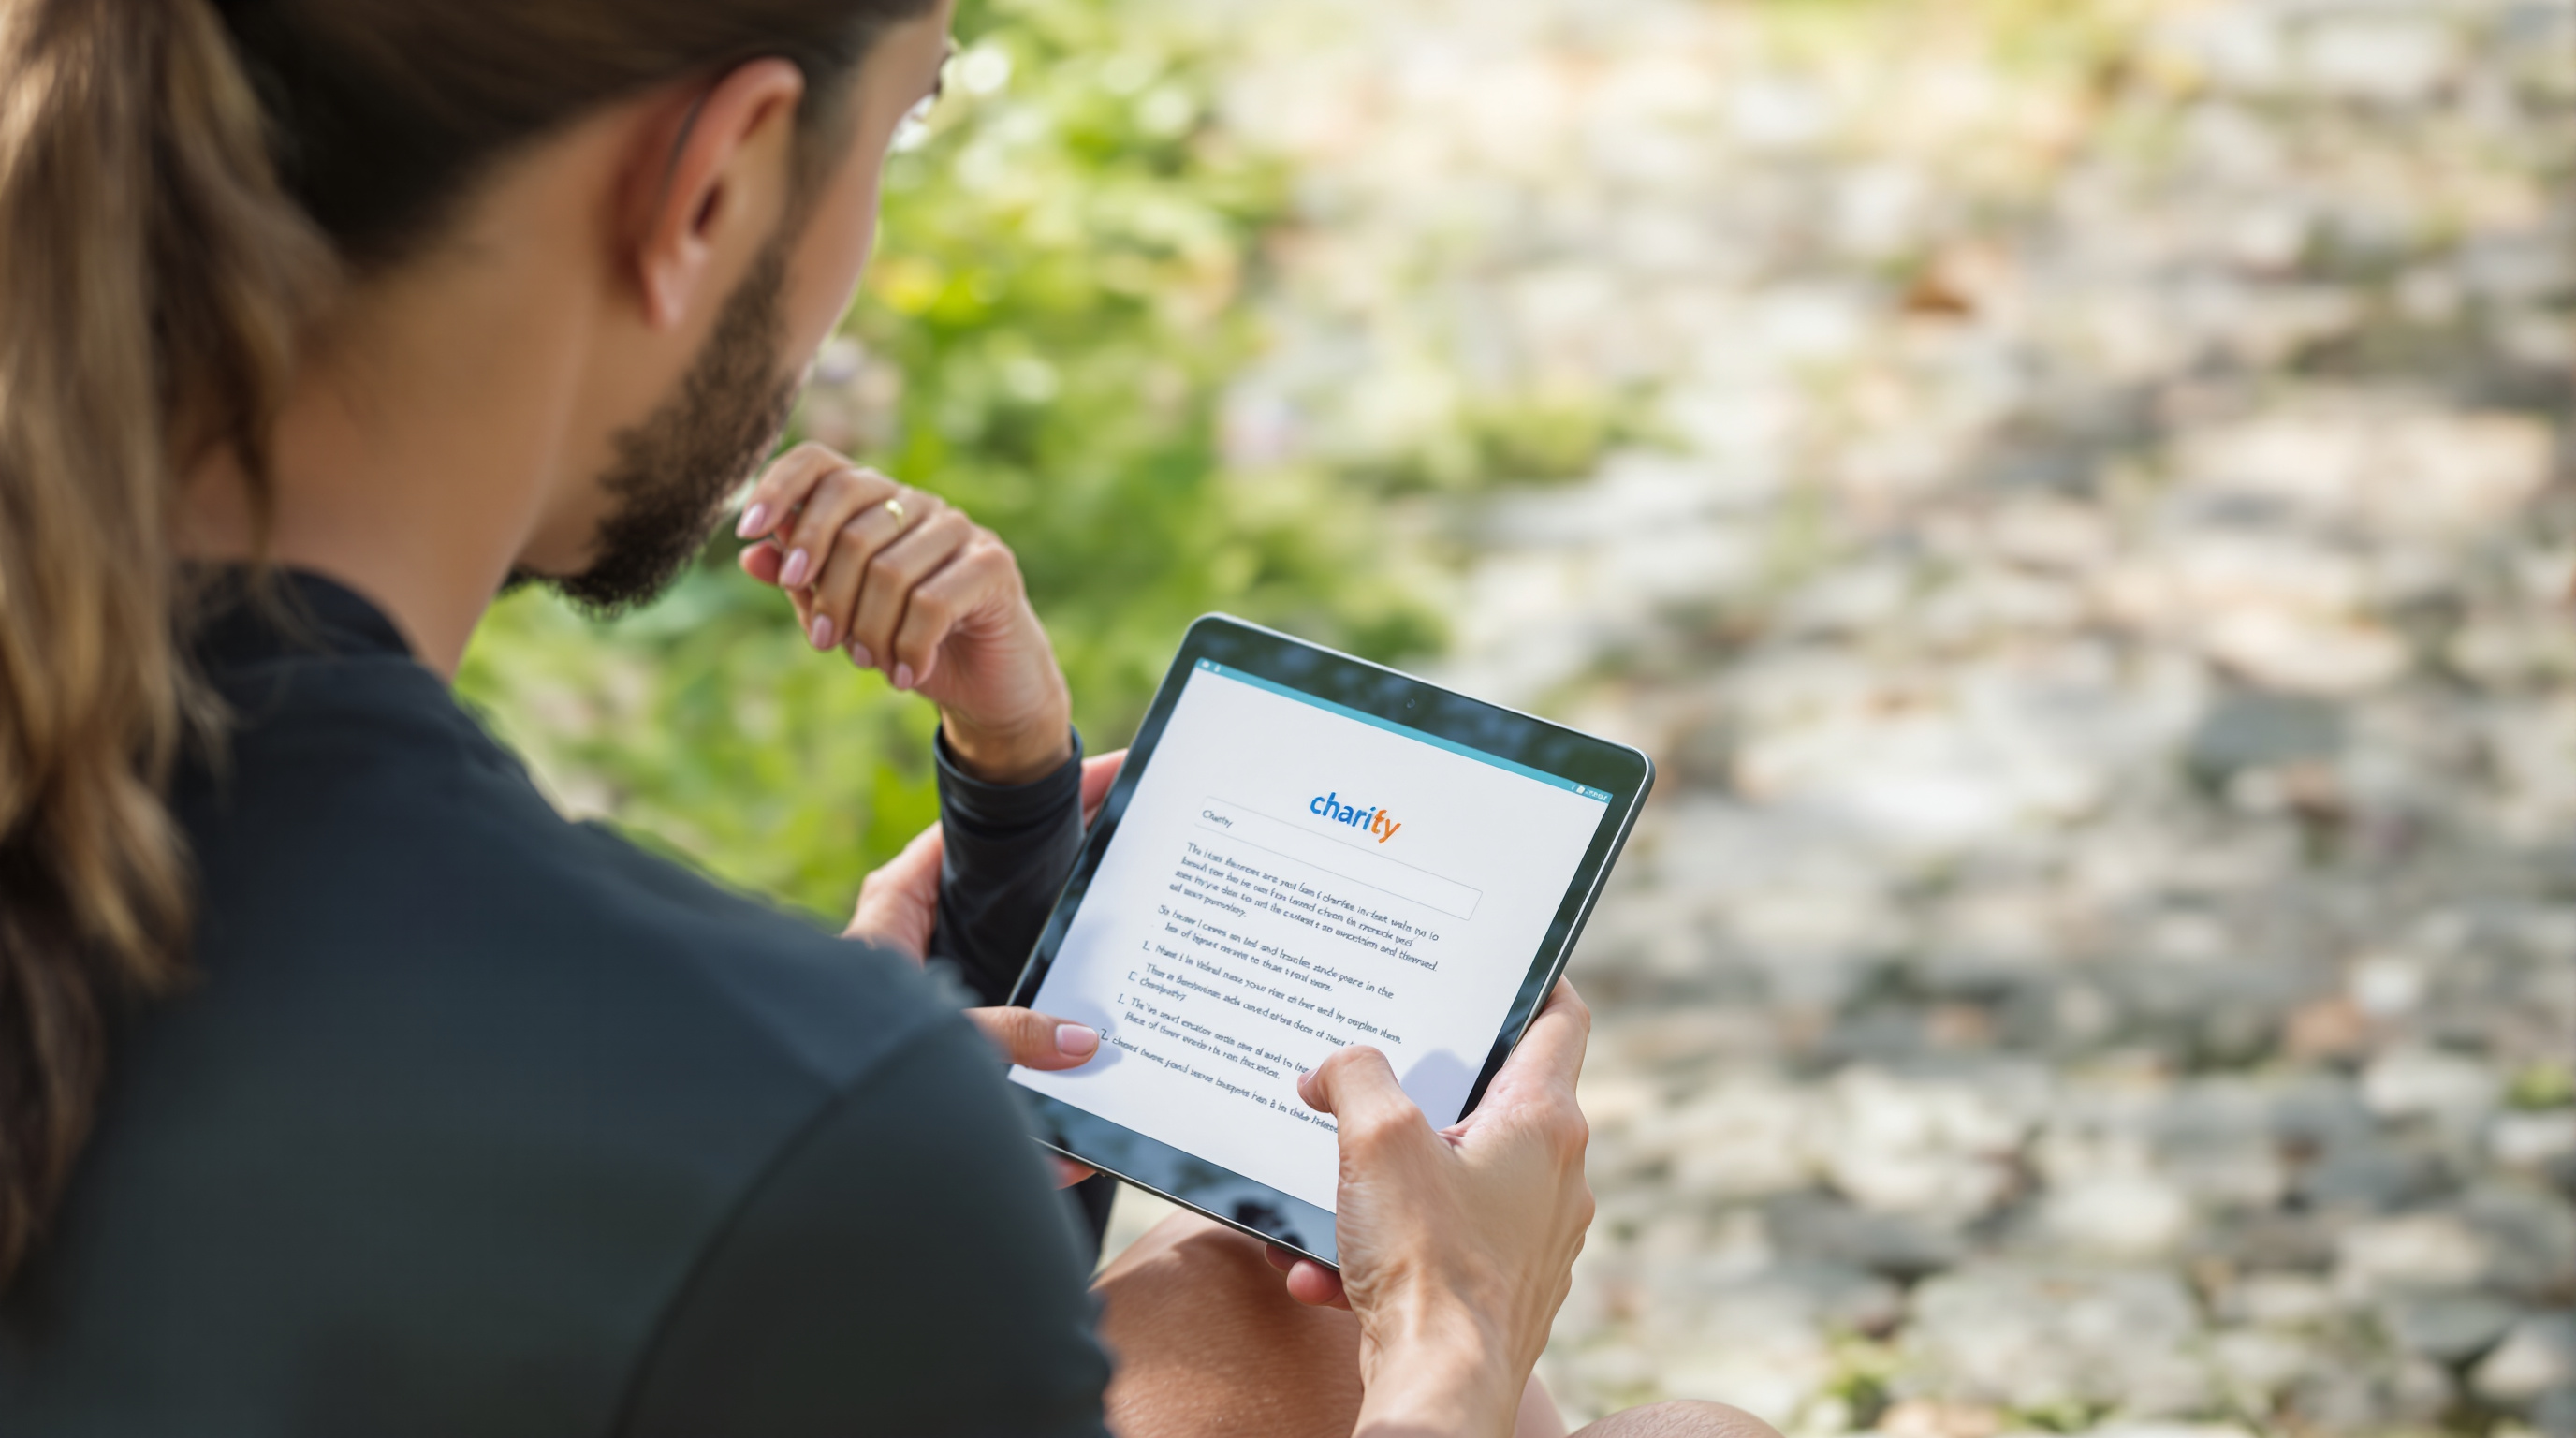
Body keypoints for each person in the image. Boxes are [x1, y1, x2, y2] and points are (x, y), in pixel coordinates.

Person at [0, 3, 1779, 1434]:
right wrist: (1452, 1357)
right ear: (716, 178)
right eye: (911, 115)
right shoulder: (768, 1115)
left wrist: (1002, 875)